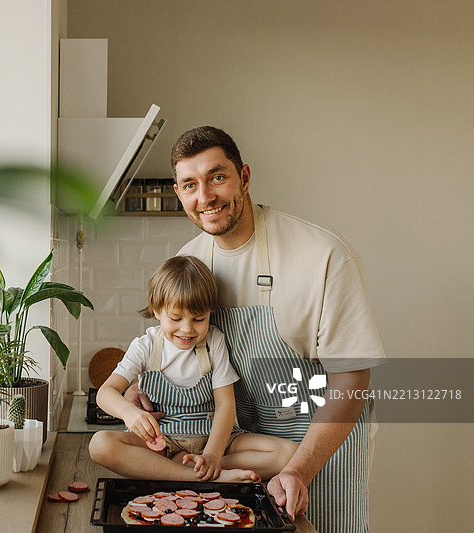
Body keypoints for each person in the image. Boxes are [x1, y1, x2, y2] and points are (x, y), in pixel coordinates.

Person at [125, 126, 385, 533]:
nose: (205, 196)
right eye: (190, 184)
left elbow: (351, 381)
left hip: (319, 453)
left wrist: (298, 470)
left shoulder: (323, 256)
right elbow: (180, 350)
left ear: (244, 178)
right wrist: (141, 388)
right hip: (235, 452)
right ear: (179, 194)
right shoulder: (190, 260)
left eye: (217, 177)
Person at [89, 255, 298, 483]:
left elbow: (226, 405)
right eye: (176, 318)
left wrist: (212, 455)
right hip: (164, 441)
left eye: (199, 319)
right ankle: (199, 476)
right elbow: (105, 393)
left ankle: (190, 468)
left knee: (289, 453)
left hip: (214, 438)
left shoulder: (214, 341)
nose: (187, 329)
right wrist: (129, 414)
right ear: (157, 310)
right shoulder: (145, 346)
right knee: (100, 445)